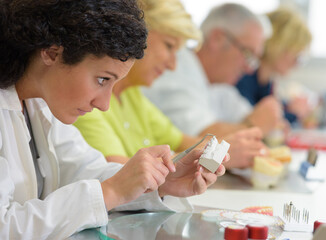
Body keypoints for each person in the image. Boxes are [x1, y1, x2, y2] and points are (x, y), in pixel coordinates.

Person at [0, 0, 227, 239]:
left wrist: (160, 184)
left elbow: (84, 171)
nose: (104, 104)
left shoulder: (39, 104)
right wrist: (109, 191)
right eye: (102, 80)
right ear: (51, 52)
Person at [74, 0, 266, 169]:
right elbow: (119, 174)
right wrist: (215, 156)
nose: (173, 65)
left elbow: (187, 143)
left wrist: (225, 150)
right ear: (136, 35)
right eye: (169, 46)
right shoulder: (92, 98)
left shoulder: (133, 96)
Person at [142, 3, 283, 140]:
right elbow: (198, 142)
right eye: (247, 54)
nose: (250, 68)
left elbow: (248, 115)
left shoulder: (219, 85)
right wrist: (254, 126)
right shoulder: (176, 69)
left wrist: (265, 121)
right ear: (218, 39)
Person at [236, 8, 312, 124]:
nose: (296, 63)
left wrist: (291, 108)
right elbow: (256, 121)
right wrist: (294, 114)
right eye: (296, 54)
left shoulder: (266, 81)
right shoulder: (243, 76)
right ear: (279, 45)